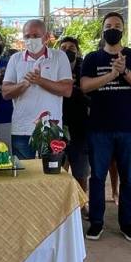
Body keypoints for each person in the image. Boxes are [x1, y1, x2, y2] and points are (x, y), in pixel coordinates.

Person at [80, 12, 131, 242]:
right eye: (108, 25)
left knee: (130, 178)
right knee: (98, 177)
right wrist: (112, 74)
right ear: (103, 29)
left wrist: (125, 72)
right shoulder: (92, 58)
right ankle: (97, 222)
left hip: (130, 129)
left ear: (123, 30)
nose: (113, 29)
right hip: (99, 128)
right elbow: (86, 87)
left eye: (117, 25)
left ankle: (126, 222)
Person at [2, 19, 73, 159]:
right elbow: (5, 92)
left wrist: (40, 81)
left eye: (35, 36)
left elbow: (67, 90)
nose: (31, 40)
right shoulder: (15, 59)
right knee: (24, 175)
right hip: (22, 129)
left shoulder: (59, 56)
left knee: (51, 174)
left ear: (46, 37)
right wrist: (24, 84)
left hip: (51, 129)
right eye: (27, 36)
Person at [59, 36, 90, 195]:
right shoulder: (53, 69)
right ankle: (61, 204)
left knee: (81, 172)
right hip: (57, 127)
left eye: (71, 48)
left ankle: (82, 203)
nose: (67, 50)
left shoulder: (85, 69)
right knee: (59, 171)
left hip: (80, 128)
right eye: (63, 47)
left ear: (77, 52)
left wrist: (75, 88)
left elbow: (90, 95)